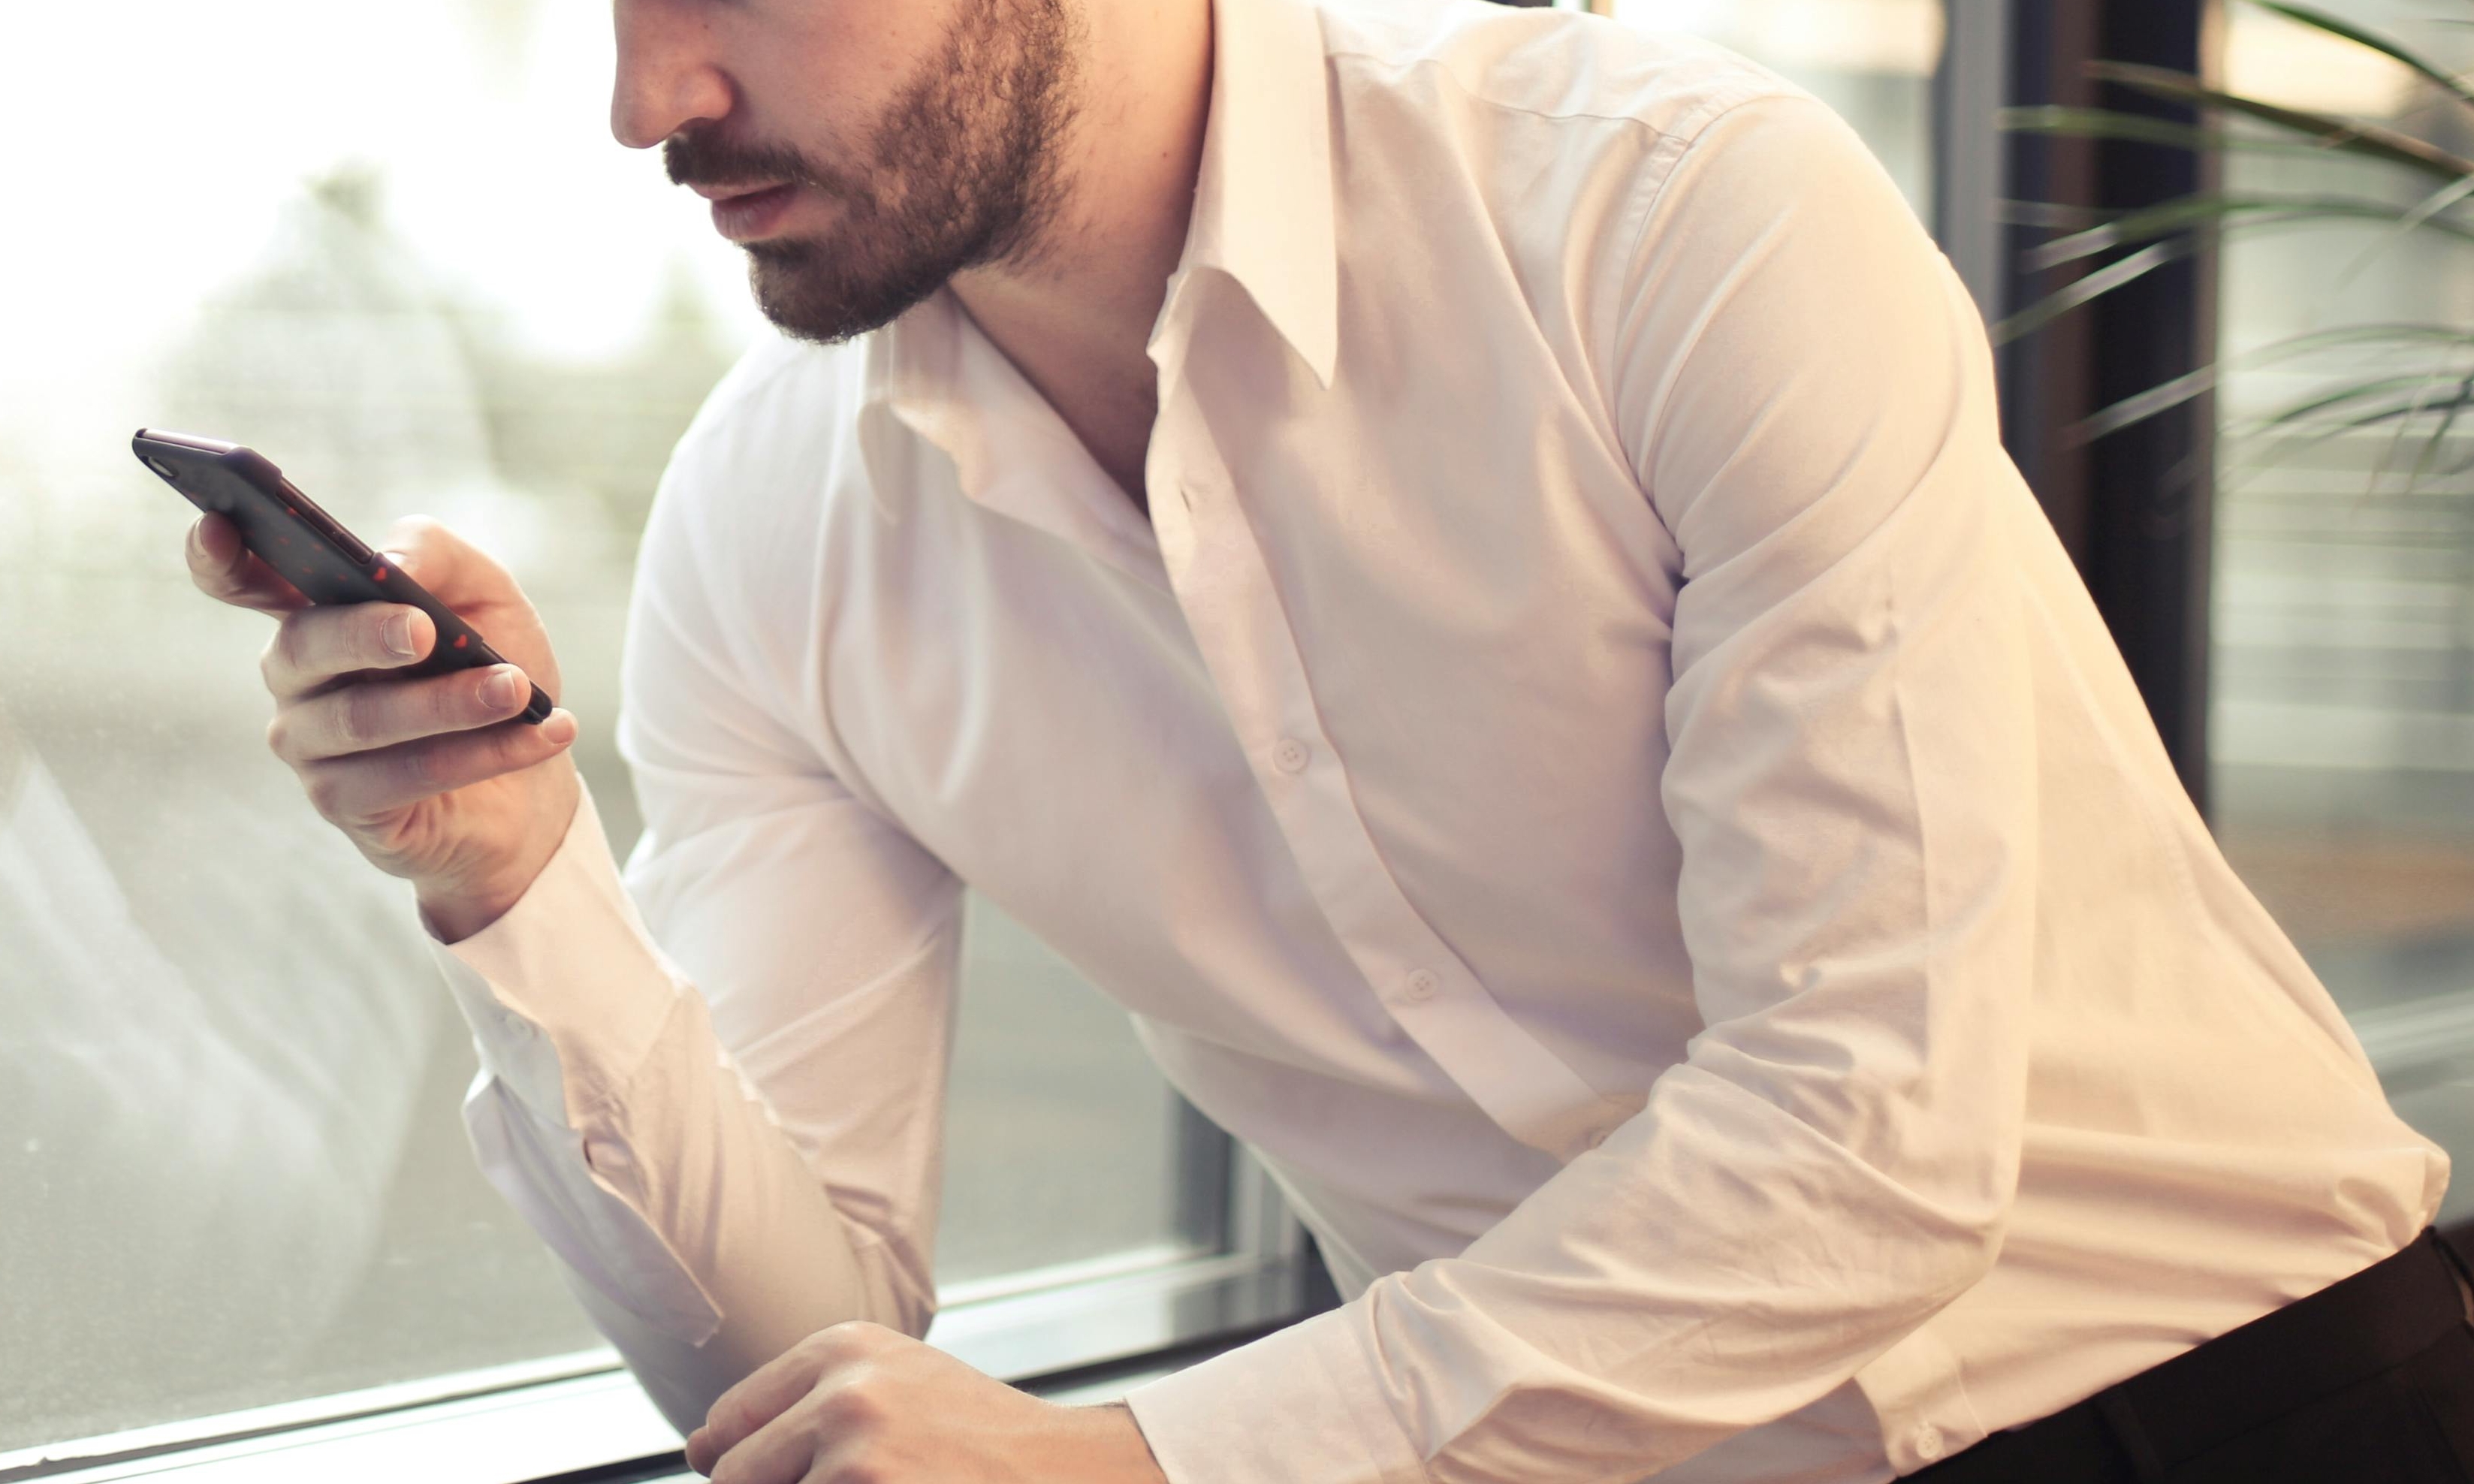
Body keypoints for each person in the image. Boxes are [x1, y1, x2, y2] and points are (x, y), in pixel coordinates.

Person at [183, 0, 2469, 1479]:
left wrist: (1165, 1465)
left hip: (2243, 1408)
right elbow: (808, 1373)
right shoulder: (769, 525)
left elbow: (1868, 1133)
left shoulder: (1668, 216)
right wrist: (513, 886)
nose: (643, 102)